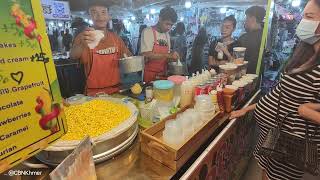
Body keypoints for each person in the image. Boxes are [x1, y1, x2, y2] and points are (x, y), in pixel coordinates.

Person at [230, 0, 320, 179]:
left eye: (309, 17)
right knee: (266, 174)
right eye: (303, 17)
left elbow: (300, 106)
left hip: (291, 143)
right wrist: (248, 108)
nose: (303, 22)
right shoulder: (307, 53)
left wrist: (308, 112)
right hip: (273, 136)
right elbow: (283, 95)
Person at [70, 1, 131, 96]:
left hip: (115, 91)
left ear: (108, 16)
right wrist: (82, 44)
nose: (99, 16)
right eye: (94, 12)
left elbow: (128, 56)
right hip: (93, 93)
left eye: (103, 12)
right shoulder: (84, 36)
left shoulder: (116, 38)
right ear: (90, 15)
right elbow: (73, 56)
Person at [140, 7, 180, 83]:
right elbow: (146, 55)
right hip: (150, 75)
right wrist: (167, 55)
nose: (169, 27)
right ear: (160, 19)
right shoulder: (148, 32)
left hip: (163, 75)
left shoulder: (167, 35)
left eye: (171, 25)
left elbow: (166, 57)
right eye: (167, 24)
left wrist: (172, 58)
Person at [237, 6, 266, 74]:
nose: (245, 21)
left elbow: (236, 60)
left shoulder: (244, 38)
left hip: (244, 75)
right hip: (259, 74)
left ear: (252, 19)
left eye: (246, 18)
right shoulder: (265, 35)